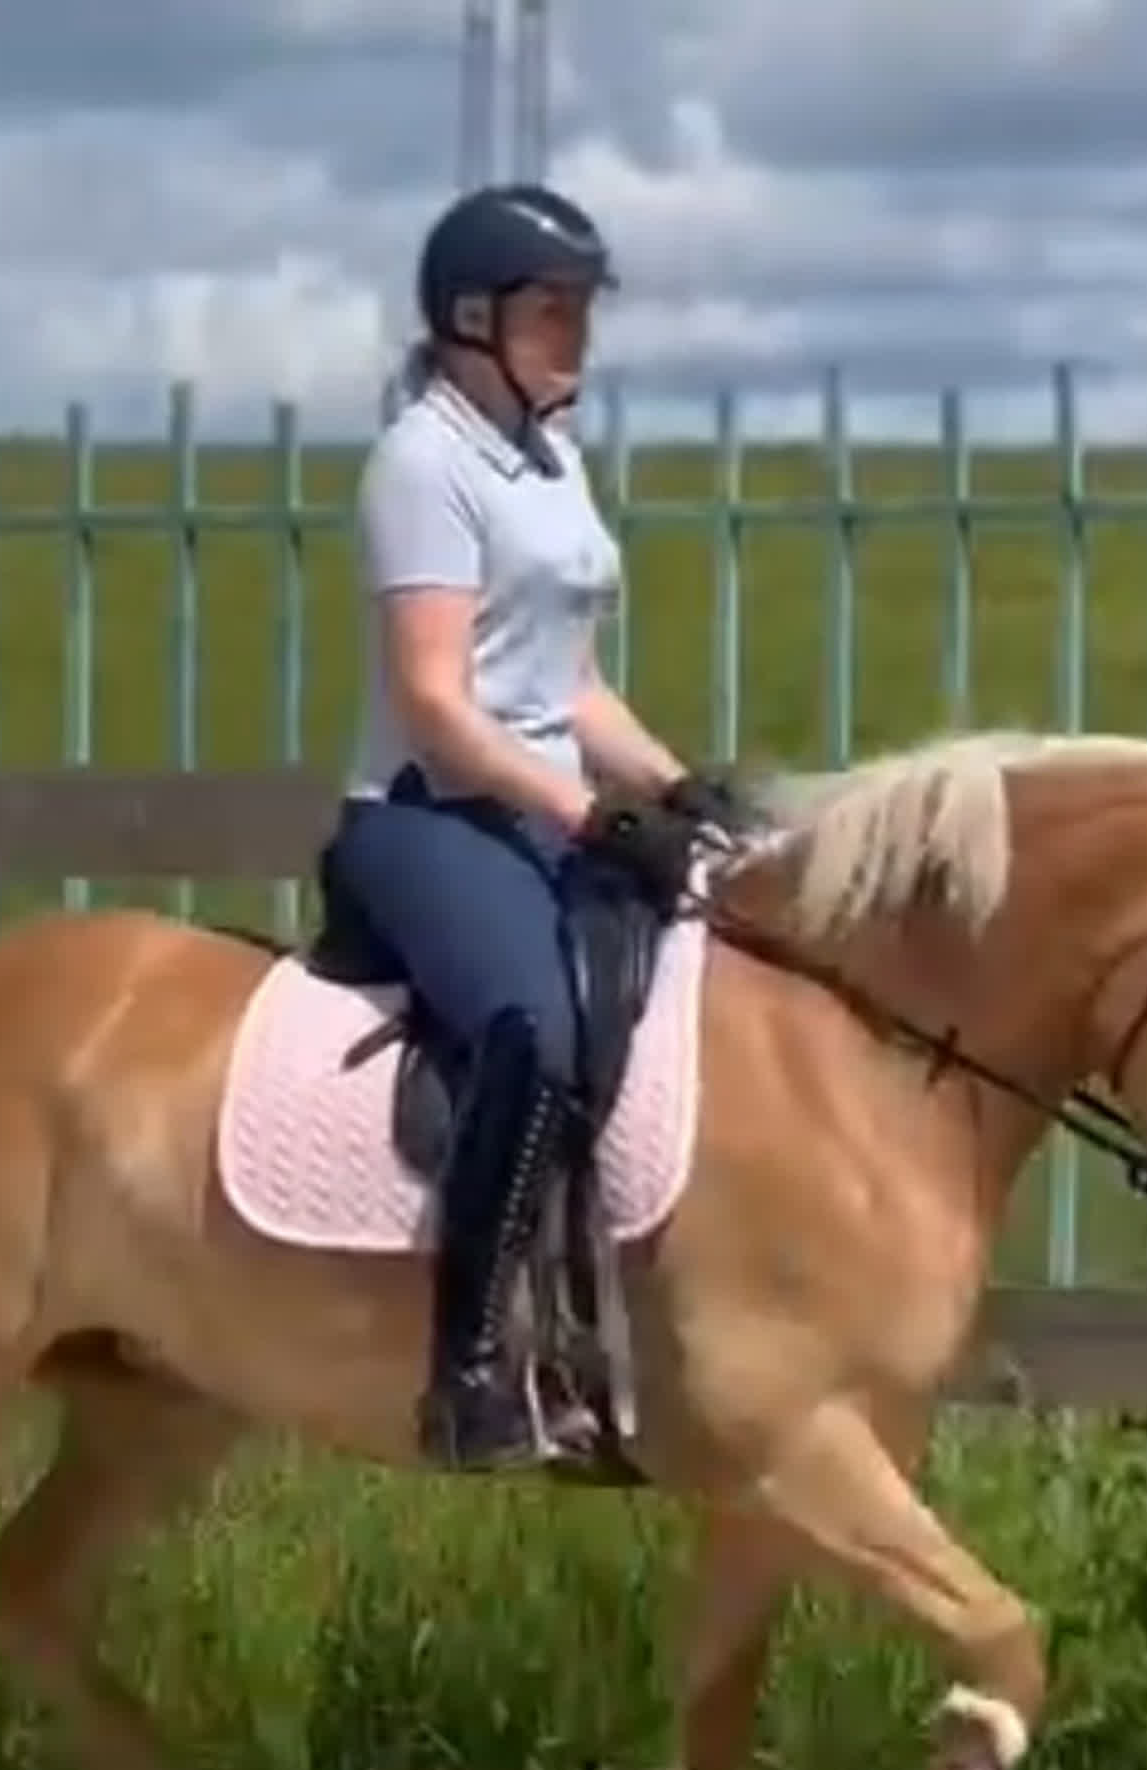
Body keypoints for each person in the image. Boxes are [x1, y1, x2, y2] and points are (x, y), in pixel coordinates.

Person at [321, 180, 751, 1472]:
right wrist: (584, 810)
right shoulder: (423, 461)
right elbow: (439, 703)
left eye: (580, 312)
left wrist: (678, 790)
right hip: (425, 819)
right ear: (471, 317)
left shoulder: (553, 460)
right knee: (535, 1022)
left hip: (534, 814)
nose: (577, 336)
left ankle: (604, 1340)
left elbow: (566, 682)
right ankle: (466, 1372)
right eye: (551, 310)